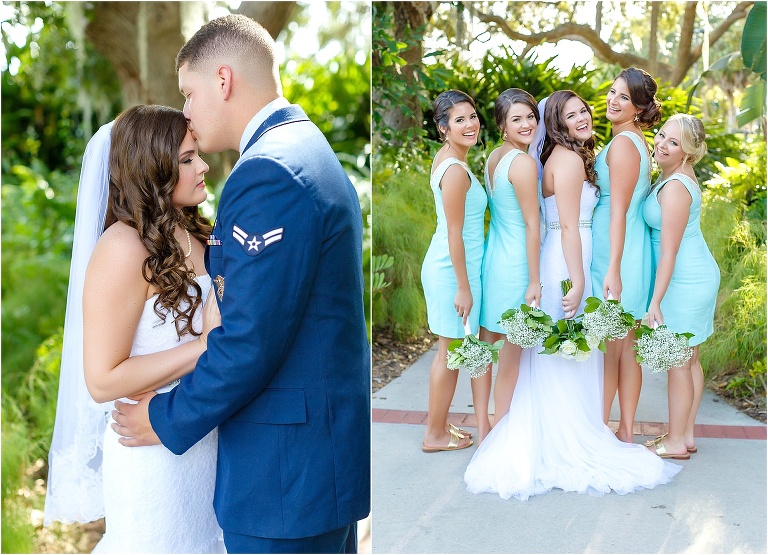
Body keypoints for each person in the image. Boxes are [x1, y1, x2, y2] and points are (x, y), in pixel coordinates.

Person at [110, 15, 370, 554]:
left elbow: (249, 340)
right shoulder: (307, 146)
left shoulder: (267, 172)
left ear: (223, 81)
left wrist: (161, 418)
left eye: (188, 92)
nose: (185, 111)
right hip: (317, 462)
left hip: (283, 481)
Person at [464, 91, 681, 501]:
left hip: (568, 254)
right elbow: (565, 226)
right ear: (557, 124)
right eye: (571, 115)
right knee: (566, 352)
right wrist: (578, 281)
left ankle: (569, 426)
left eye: (584, 110)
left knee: (565, 354)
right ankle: (567, 435)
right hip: (567, 260)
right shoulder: (564, 161)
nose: (582, 117)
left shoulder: (561, 157)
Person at [43, 105, 225, 553]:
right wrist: (205, 348)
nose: (202, 166)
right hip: (152, 463)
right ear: (153, 169)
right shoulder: (122, 249)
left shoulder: (196, 233)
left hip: (208, 447)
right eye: (186, 159)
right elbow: (102, 380)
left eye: (197, 152)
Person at [590, 67, 661, 442]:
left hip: (617, 255)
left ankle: (603, 430)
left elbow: (617, 210)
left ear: (638, 108)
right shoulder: (633, 141)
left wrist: (613, 269)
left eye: (624, 98)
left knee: (612, 350)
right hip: (626, 249)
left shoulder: (622, 145)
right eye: (612, 92)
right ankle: (626, 430)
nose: (613, 100)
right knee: (626, 347)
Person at [642, 114, 720, 459]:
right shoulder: (673, 176)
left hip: (685, 280)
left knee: (678, 361)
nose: (662, 144)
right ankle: (684, 434)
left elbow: (669, 252)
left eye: (673, 142)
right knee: (689, 359)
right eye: (661, 136)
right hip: (691, 274)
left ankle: (675, 442)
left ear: (688, 152)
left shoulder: (675, 187)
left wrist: (655, 301)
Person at [420, 89, 486, 451]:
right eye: (459, 120)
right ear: (443, 128)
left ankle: (440, 426)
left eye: (472, 117)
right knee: (449, 352)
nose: (470, 124)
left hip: (453, 266)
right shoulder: (455, 170)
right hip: (450, 270)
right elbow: (454, 232)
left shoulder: (452, 159)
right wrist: (463, 286)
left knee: (451, 351)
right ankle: (435, 434)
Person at [478, 88, 541, 433]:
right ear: (502, 126)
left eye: (530, 116)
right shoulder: (523, 163)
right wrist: (535, 279)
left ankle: (485, 427)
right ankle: (501, 430)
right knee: (512, 355)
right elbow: (533, 224)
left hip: (495, 260)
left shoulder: (494, 158)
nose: (527, 123)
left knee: (486, 346)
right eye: (516, 119)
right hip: (516, 264)